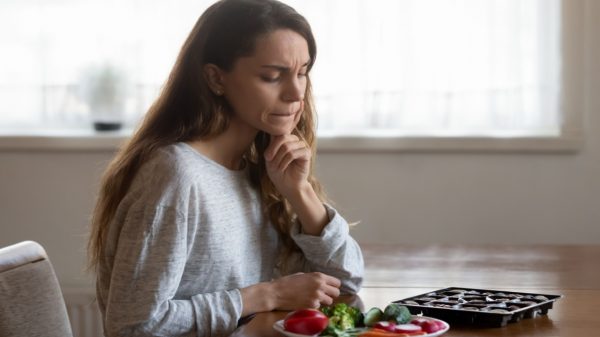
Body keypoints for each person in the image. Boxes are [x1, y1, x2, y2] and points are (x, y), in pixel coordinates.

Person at [87, 0, 364, 336]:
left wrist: (300, 192)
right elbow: (133, 326)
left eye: (302, 73)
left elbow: (347, 282)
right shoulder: (175, 175)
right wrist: (267, 294)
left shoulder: (257, 170)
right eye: (272, 76)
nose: (295, 93)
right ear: (216, 78)